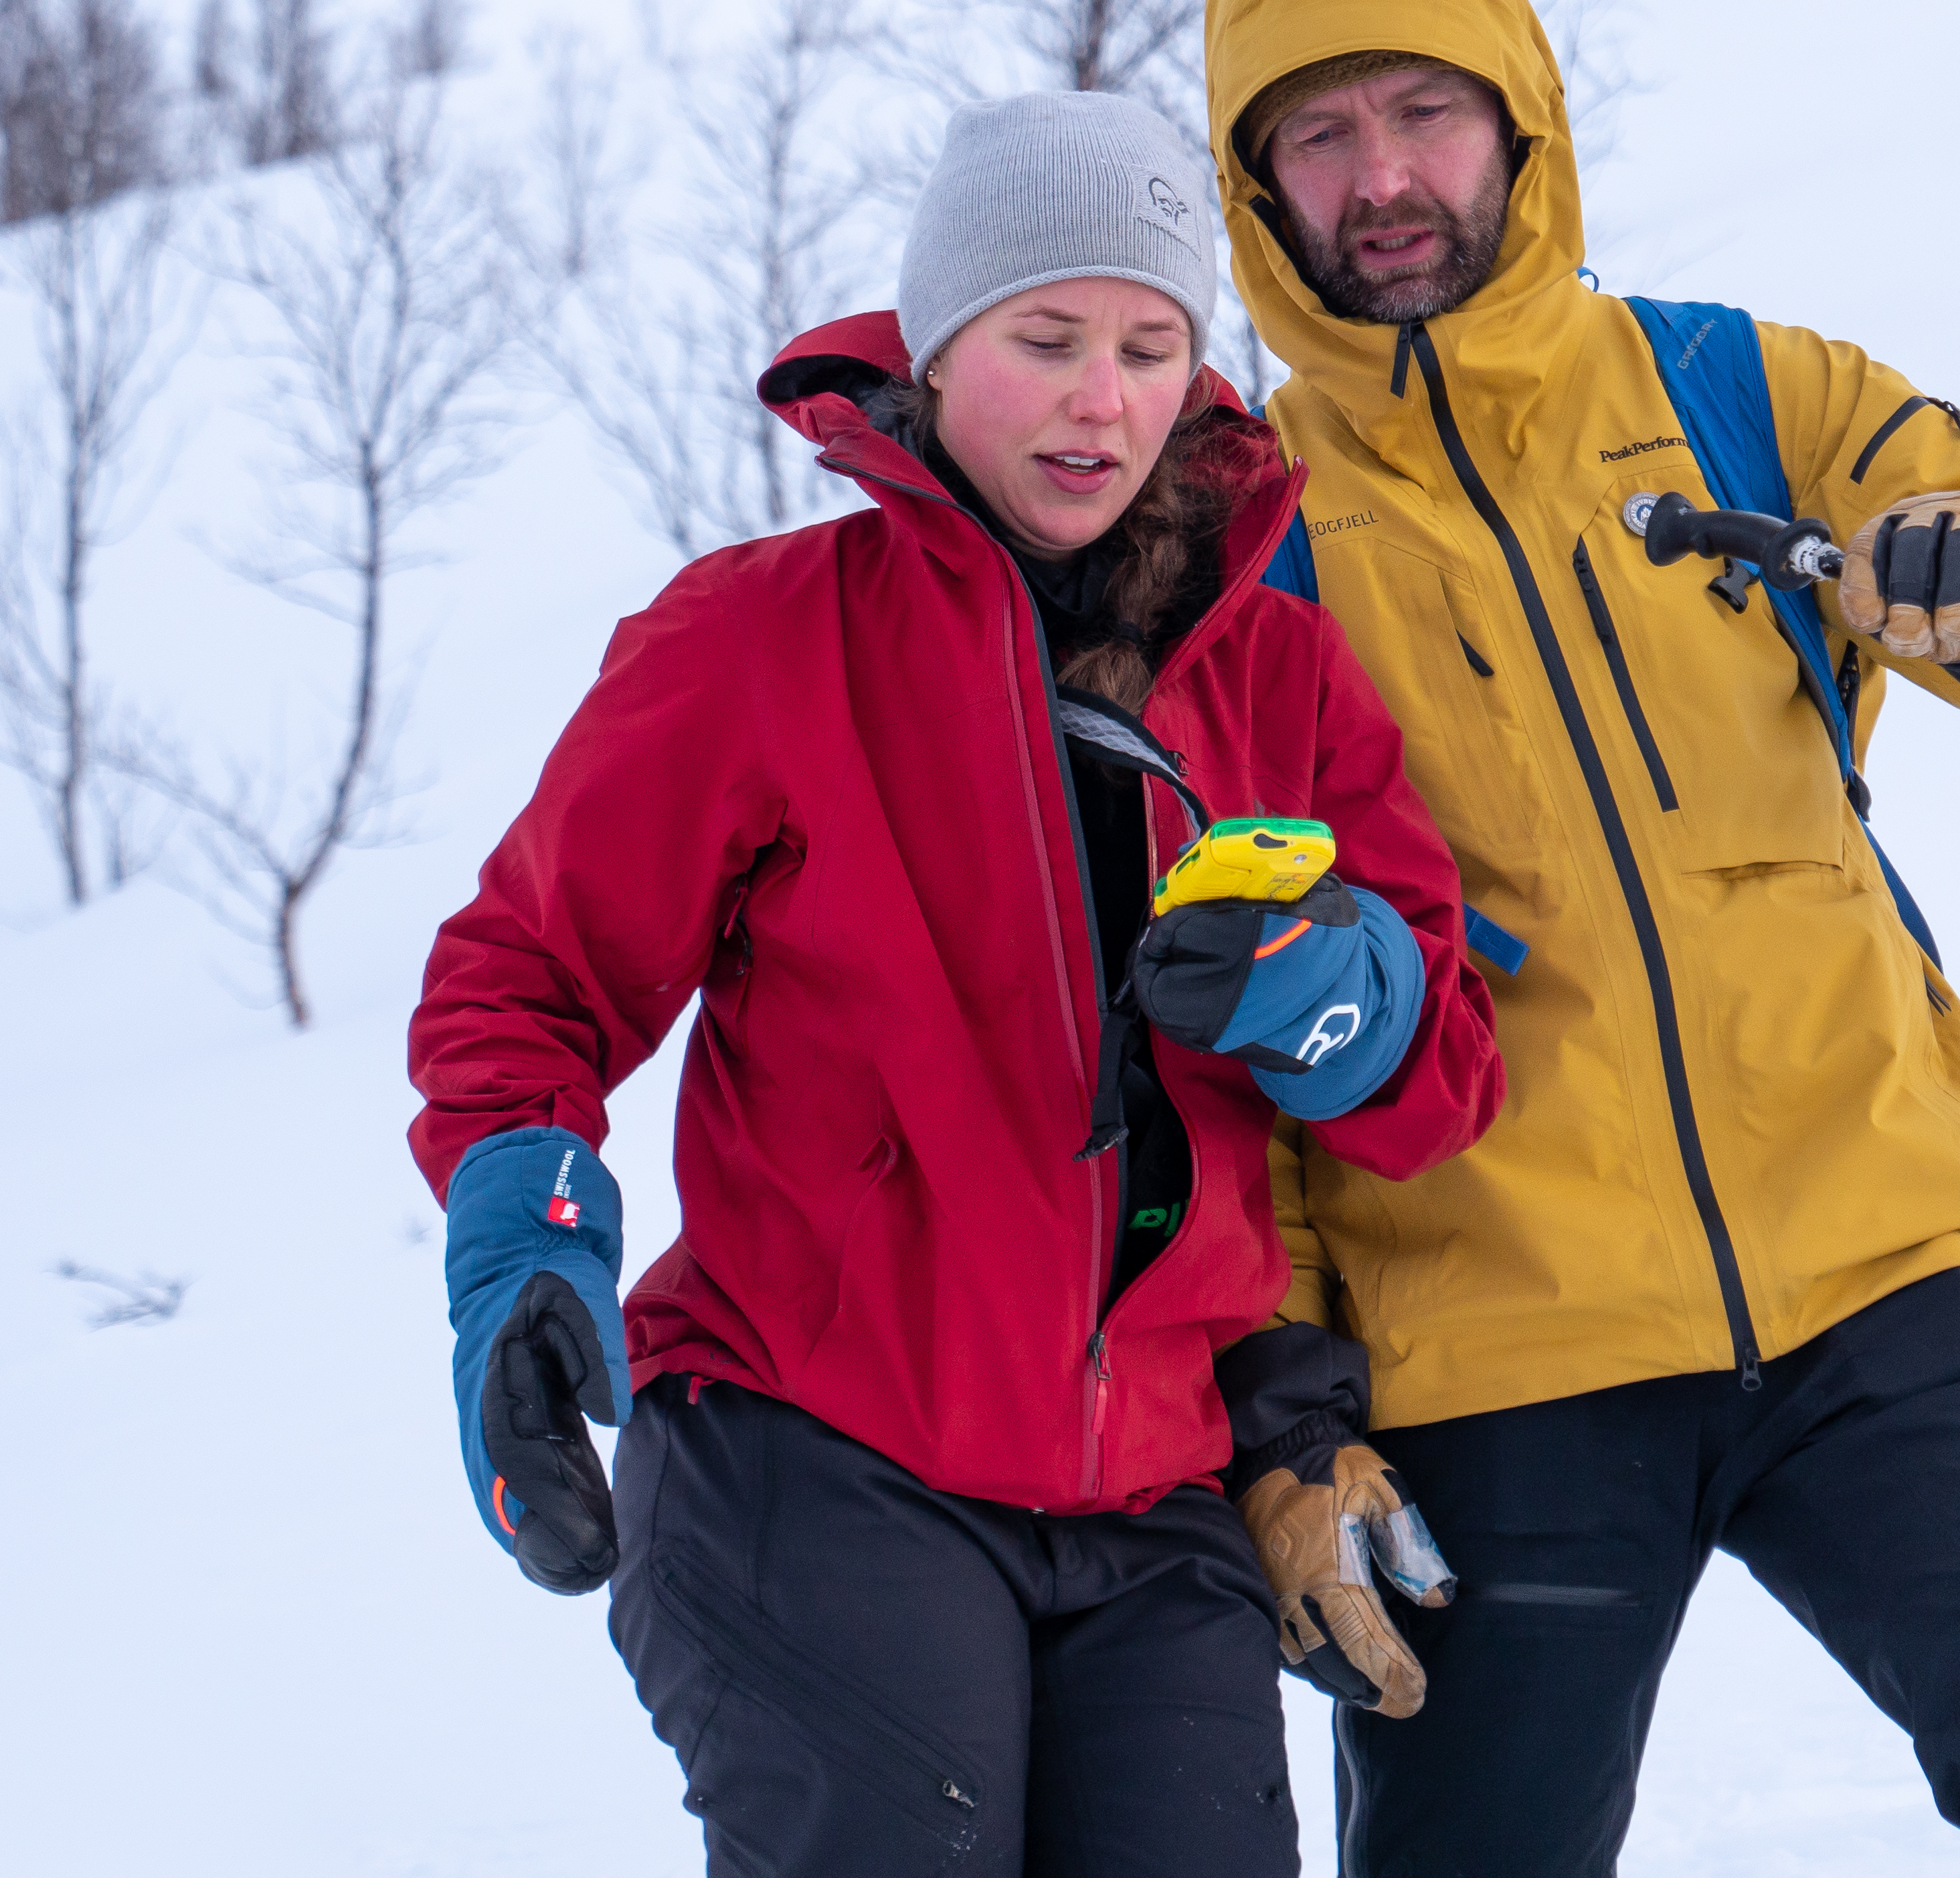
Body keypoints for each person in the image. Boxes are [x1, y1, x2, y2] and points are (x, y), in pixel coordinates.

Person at [1196, 0, 1960, 1877]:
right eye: (1320, 135)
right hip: (1494, 1339)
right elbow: (1222, 1029)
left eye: (1422, 112)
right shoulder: (1239, 555)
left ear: (1519, 117)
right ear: (1255, 188)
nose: (1384, 179)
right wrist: (1284, 1419)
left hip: (1890, 1257)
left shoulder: (1745, 398)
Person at [406, 90, 1504, 1877]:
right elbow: (526, 980)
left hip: (1156, 1499)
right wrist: (522, 1248)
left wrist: (1330, 992)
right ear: (936, 351)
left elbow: (1437, 1081)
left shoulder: (1277, 677)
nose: (1103, 398)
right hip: (813, 1455)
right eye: (1045, 339)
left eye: (1152, 346)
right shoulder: (763, 638)